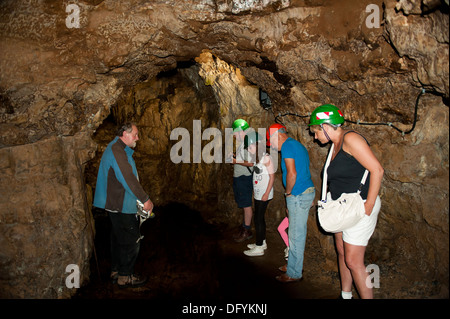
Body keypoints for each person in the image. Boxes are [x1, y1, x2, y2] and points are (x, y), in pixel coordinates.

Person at [309, 104, 384, 299]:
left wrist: (368, 205)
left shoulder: (350, 139)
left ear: (325, 126)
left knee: (354, 261)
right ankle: (346, 295)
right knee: (342, 251)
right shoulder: (335, 144)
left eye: (316, 132)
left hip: (359, 206)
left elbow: (377, 170)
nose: (315, 137)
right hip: (342, 207)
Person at [93, 122, 154, 288]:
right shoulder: (117, 151)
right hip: (120, 204)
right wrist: (145, 199)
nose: (137, 138)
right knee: (131, 239)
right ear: (124, 134)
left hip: (117, 203)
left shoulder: (118, 149)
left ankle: (116, 270)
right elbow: (128, 179)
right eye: (135, 134)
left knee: (118, 238)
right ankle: (125, 276)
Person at [267, 123, 315, 282]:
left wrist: (288, 194)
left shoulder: (287, 146)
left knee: (295, 235)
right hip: (305, 191)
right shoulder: (297, 145)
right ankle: (293, 264)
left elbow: (292, 174)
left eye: (271, 142)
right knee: (296, 232)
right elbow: (304, 170)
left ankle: (294, 273)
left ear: (277, 135)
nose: (272, 146)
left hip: (297, 194)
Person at [243, 132, 275, 256]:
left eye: (250, 147)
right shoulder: (257, 158)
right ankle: (263, 242)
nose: (249, 150)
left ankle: (259, 247)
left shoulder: (266, 158)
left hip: (263, 194)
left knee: (258, 219)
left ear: (256, 145)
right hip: (258, 193)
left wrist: (266, 193)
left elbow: (272, 177)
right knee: (259, 218)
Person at [230, 119, 255, 242]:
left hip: (244, 178)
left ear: (240, 131)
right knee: (244, 204)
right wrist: (235, 157)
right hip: (240, 177)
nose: (234, 136)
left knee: (246, 205)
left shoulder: (248, 141)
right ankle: (244, 227)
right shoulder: (244, 142)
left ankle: (246, 231)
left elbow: (250, 163)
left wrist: (235, 161)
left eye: (235, 133)